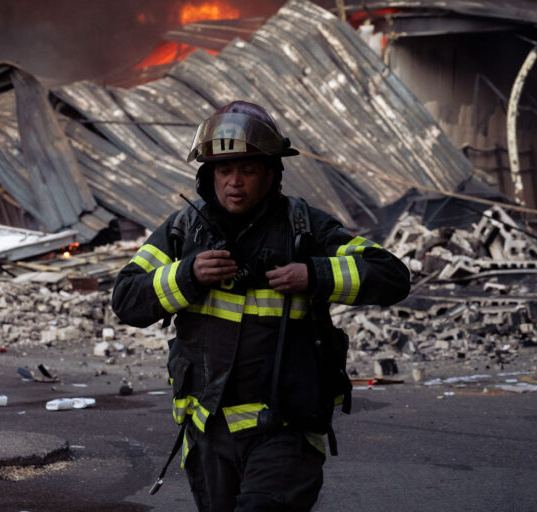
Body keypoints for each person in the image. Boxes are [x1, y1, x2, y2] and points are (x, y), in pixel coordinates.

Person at [111, 100, 410, 511]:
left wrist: (315, 275)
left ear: (271, 173)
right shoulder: (183, 231)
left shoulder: (304, 228)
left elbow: (392, 275)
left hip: (284, 430)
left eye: (248, 169)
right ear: (208, 175)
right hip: (207, 435)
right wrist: (187, 276)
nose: (235, 182)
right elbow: (126, 299)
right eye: (224, 170)